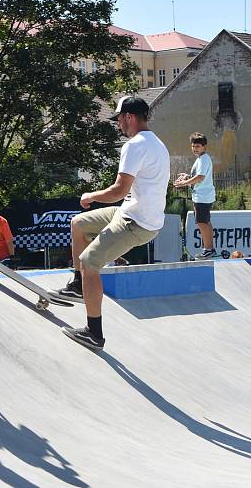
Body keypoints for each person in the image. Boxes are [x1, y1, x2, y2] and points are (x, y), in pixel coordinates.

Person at [59, 96, 170, 350]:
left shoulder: (135, 145)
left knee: (90, 261)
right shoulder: (158, 144)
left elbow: (119, 190)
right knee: (78, 223)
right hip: (131, 212)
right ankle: (78, 284)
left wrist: (91, 196)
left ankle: (94, 332)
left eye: (119, 119)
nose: (118, 124)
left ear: (129, 117)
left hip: (137, 223)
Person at [173, 132, 216, 259]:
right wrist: (187, 177)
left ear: (204, 146)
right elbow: (198, 177)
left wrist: (184, 182)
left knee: (202, 222)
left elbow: (200, 177)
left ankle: (208, 249)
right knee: (204, 222)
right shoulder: (201, 159)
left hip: (203, 196)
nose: (195, 148)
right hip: (202, 195)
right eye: (193, 146)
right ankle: (209, 249)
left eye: (198, 146)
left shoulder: (204, 159)